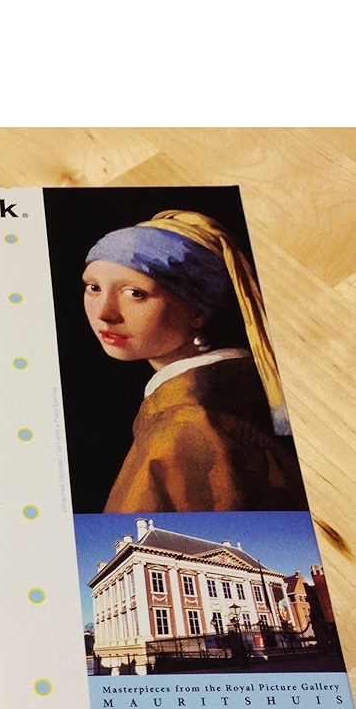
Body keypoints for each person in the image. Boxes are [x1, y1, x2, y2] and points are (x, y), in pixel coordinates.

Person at [83, 210, 307, 512]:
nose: (104, 313)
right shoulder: (235, 386)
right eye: (93, 287)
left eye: (135, 293)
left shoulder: (186, 424)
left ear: (198, 311)